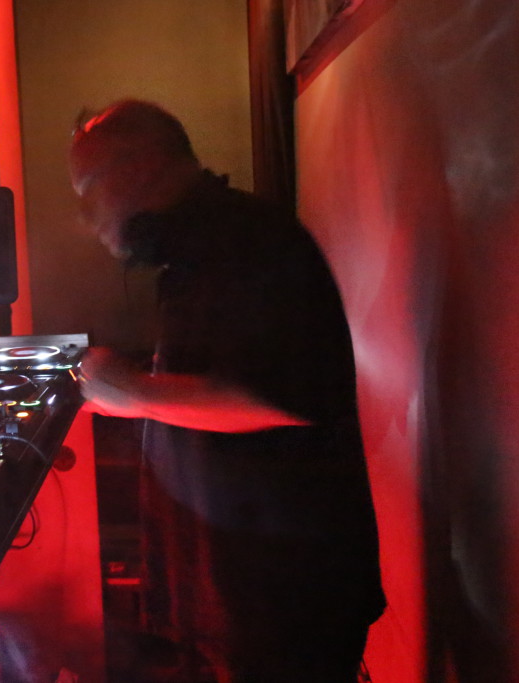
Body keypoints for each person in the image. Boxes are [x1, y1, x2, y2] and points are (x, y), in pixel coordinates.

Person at [70, 101, 385, 682]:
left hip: (285, 595)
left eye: (88, 189)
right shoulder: (201, 252)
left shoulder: (252, 244)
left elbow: (278, 396)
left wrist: (134, 391)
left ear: (140, 167)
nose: (87, 218)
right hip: (249, 589)